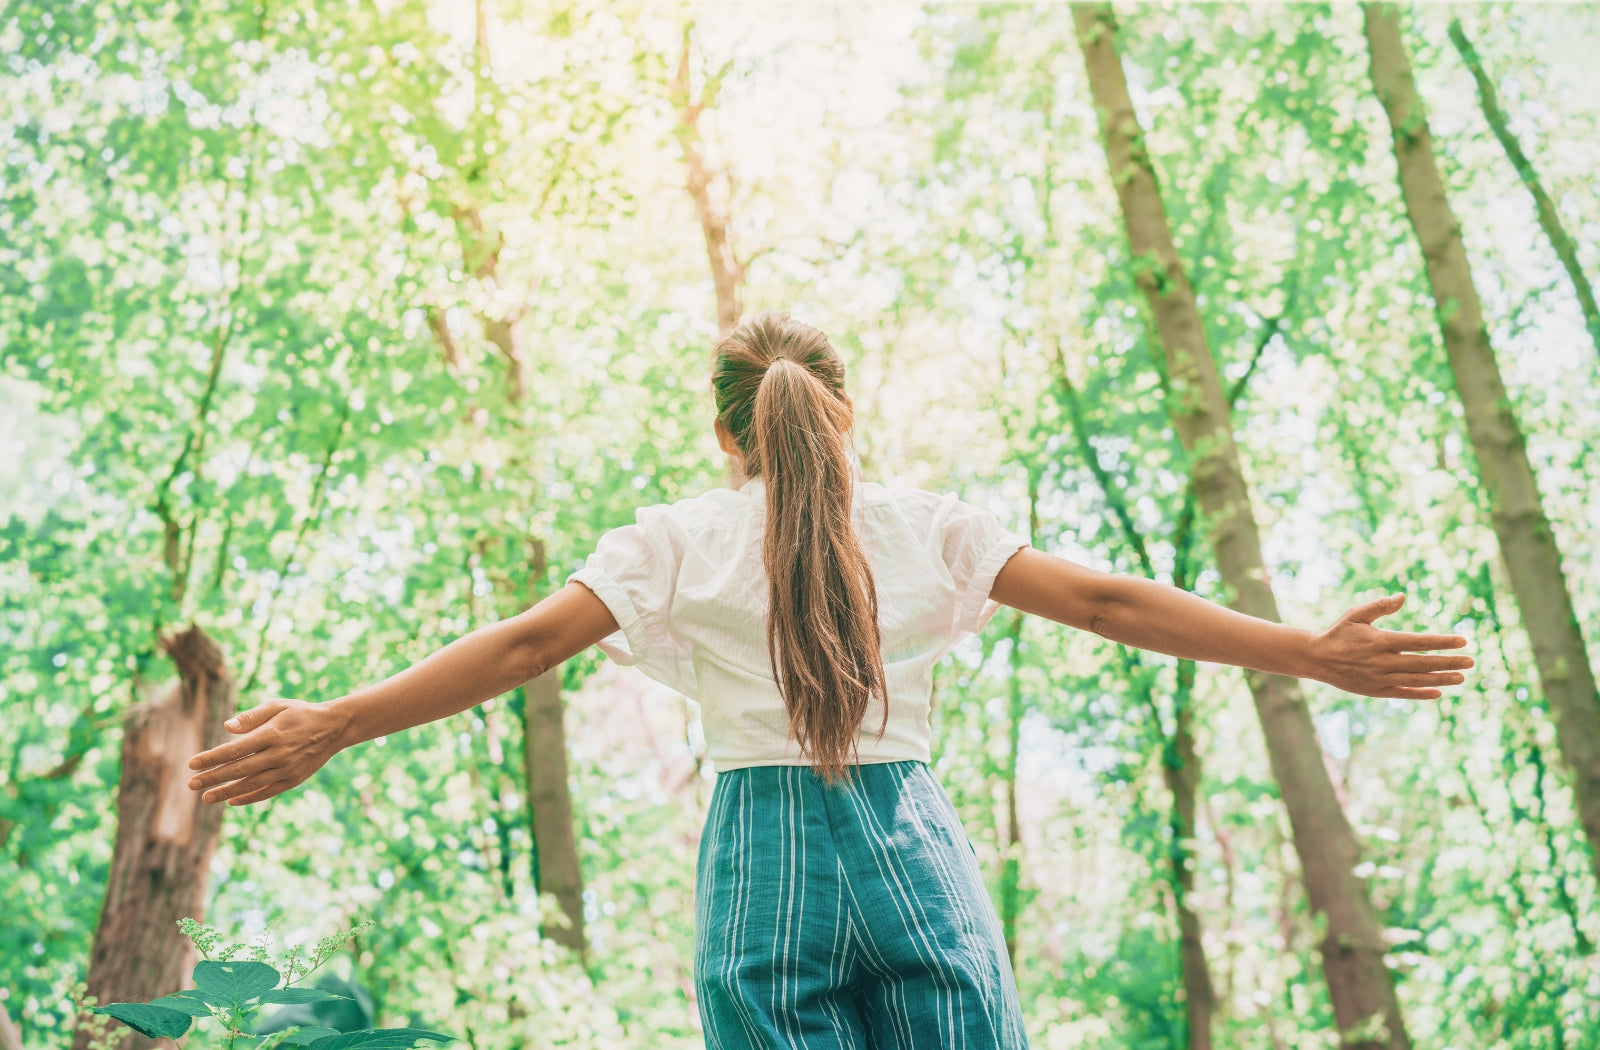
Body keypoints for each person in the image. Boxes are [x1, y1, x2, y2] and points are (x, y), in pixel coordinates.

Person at [187, 311, 1473, 1048]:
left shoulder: (673, 538)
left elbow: (526, 647)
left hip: (762, 858)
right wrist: (1303, 648)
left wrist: (337, 723)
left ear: (724, 434)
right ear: (840, 415)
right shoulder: (927, 525)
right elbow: (1105, 600)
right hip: (912, 843)